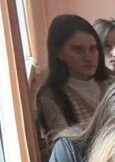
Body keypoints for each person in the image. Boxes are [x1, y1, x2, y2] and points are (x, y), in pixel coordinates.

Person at [35, 14, 111, 151]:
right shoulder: (50, 96)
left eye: (93, 49)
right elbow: (66, 146)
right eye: (78, 49)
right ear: (59, 53)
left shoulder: (113, 84)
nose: (88, 57)